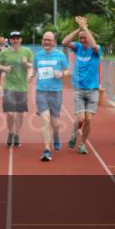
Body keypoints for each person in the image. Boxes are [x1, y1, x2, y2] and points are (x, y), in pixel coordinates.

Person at [62, 16, 102, 155]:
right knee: (81, 119)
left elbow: (94, 45)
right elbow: (64, 42)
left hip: (92, 89)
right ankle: (74, 134)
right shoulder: (77, 48)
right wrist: (78, 29)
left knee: (89, 119)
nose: (83, 41)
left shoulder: (96, 50)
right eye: (81, 38)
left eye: (85, 38)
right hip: (79, 89)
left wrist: (85, 29)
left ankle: (83, 144)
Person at [33, 31, 71, 161]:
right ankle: (47, 150)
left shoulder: (60, 55)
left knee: (55, 122)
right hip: (41, 92)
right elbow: (34, 70)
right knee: (45, 120)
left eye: (49, 40)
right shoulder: (37, 56)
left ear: (54, 42)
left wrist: (62, 74)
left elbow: (67, 71)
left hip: (55, 92)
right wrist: (30, 76)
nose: (46, 42)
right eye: (44, 39)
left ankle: (56, 135)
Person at [0, 31, 33, 148]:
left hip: (22, 87)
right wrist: (5, 68)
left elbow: (32, 66)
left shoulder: (27, 51)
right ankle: (10, 132)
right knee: (10, 113)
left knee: (20, 113)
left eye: (17, 38)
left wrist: (27, 66)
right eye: (13, 38)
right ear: (10, 40)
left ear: (21, 39)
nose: (15, 40)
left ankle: (17, 134)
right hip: (9, 87)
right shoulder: (5, 52)